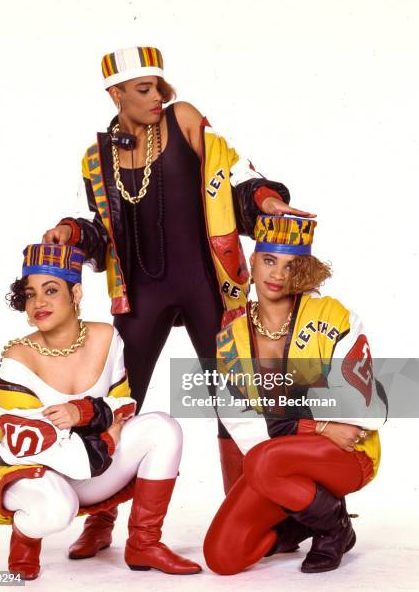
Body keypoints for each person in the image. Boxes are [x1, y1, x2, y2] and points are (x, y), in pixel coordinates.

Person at [42, 45, 315, 557]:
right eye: (143, 88)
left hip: (207, 284)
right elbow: (104, 233)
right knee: (115, 402)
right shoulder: (95, 156)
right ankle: (101, 518)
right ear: (115, 93)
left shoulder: (183, 118)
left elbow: (233, 179)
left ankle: (249, 510)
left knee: (234, 397)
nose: (158, 96)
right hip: (140, 292)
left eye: (160, 85)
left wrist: (267, 201)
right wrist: (70, 232)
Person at [0, 243, 202, 579]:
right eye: (30, 295)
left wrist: (82, 412)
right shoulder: (17, 359)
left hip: (89, 466)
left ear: (76, 293)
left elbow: (124, 405)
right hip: (34, 472)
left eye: (51, 290)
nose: (38, 302)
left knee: (163, 428)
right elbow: (43, 444)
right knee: (59, 509)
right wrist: (108, 437)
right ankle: (26, 538)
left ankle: (144, 543)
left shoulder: (106, 337)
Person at [203, 214, 388, 575]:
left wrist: (285, 417)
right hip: (278, 462)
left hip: (348, 455)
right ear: (251, 262)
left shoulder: (334, 317)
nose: (277, 274)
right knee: (223, 556)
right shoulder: (229, 337)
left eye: (291, 266)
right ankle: (306, 520)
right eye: (269, 260)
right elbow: (245, 430)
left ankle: (335, 528)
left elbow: (367, 410)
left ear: (303, 271)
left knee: (263, 462)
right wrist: (316, 425)